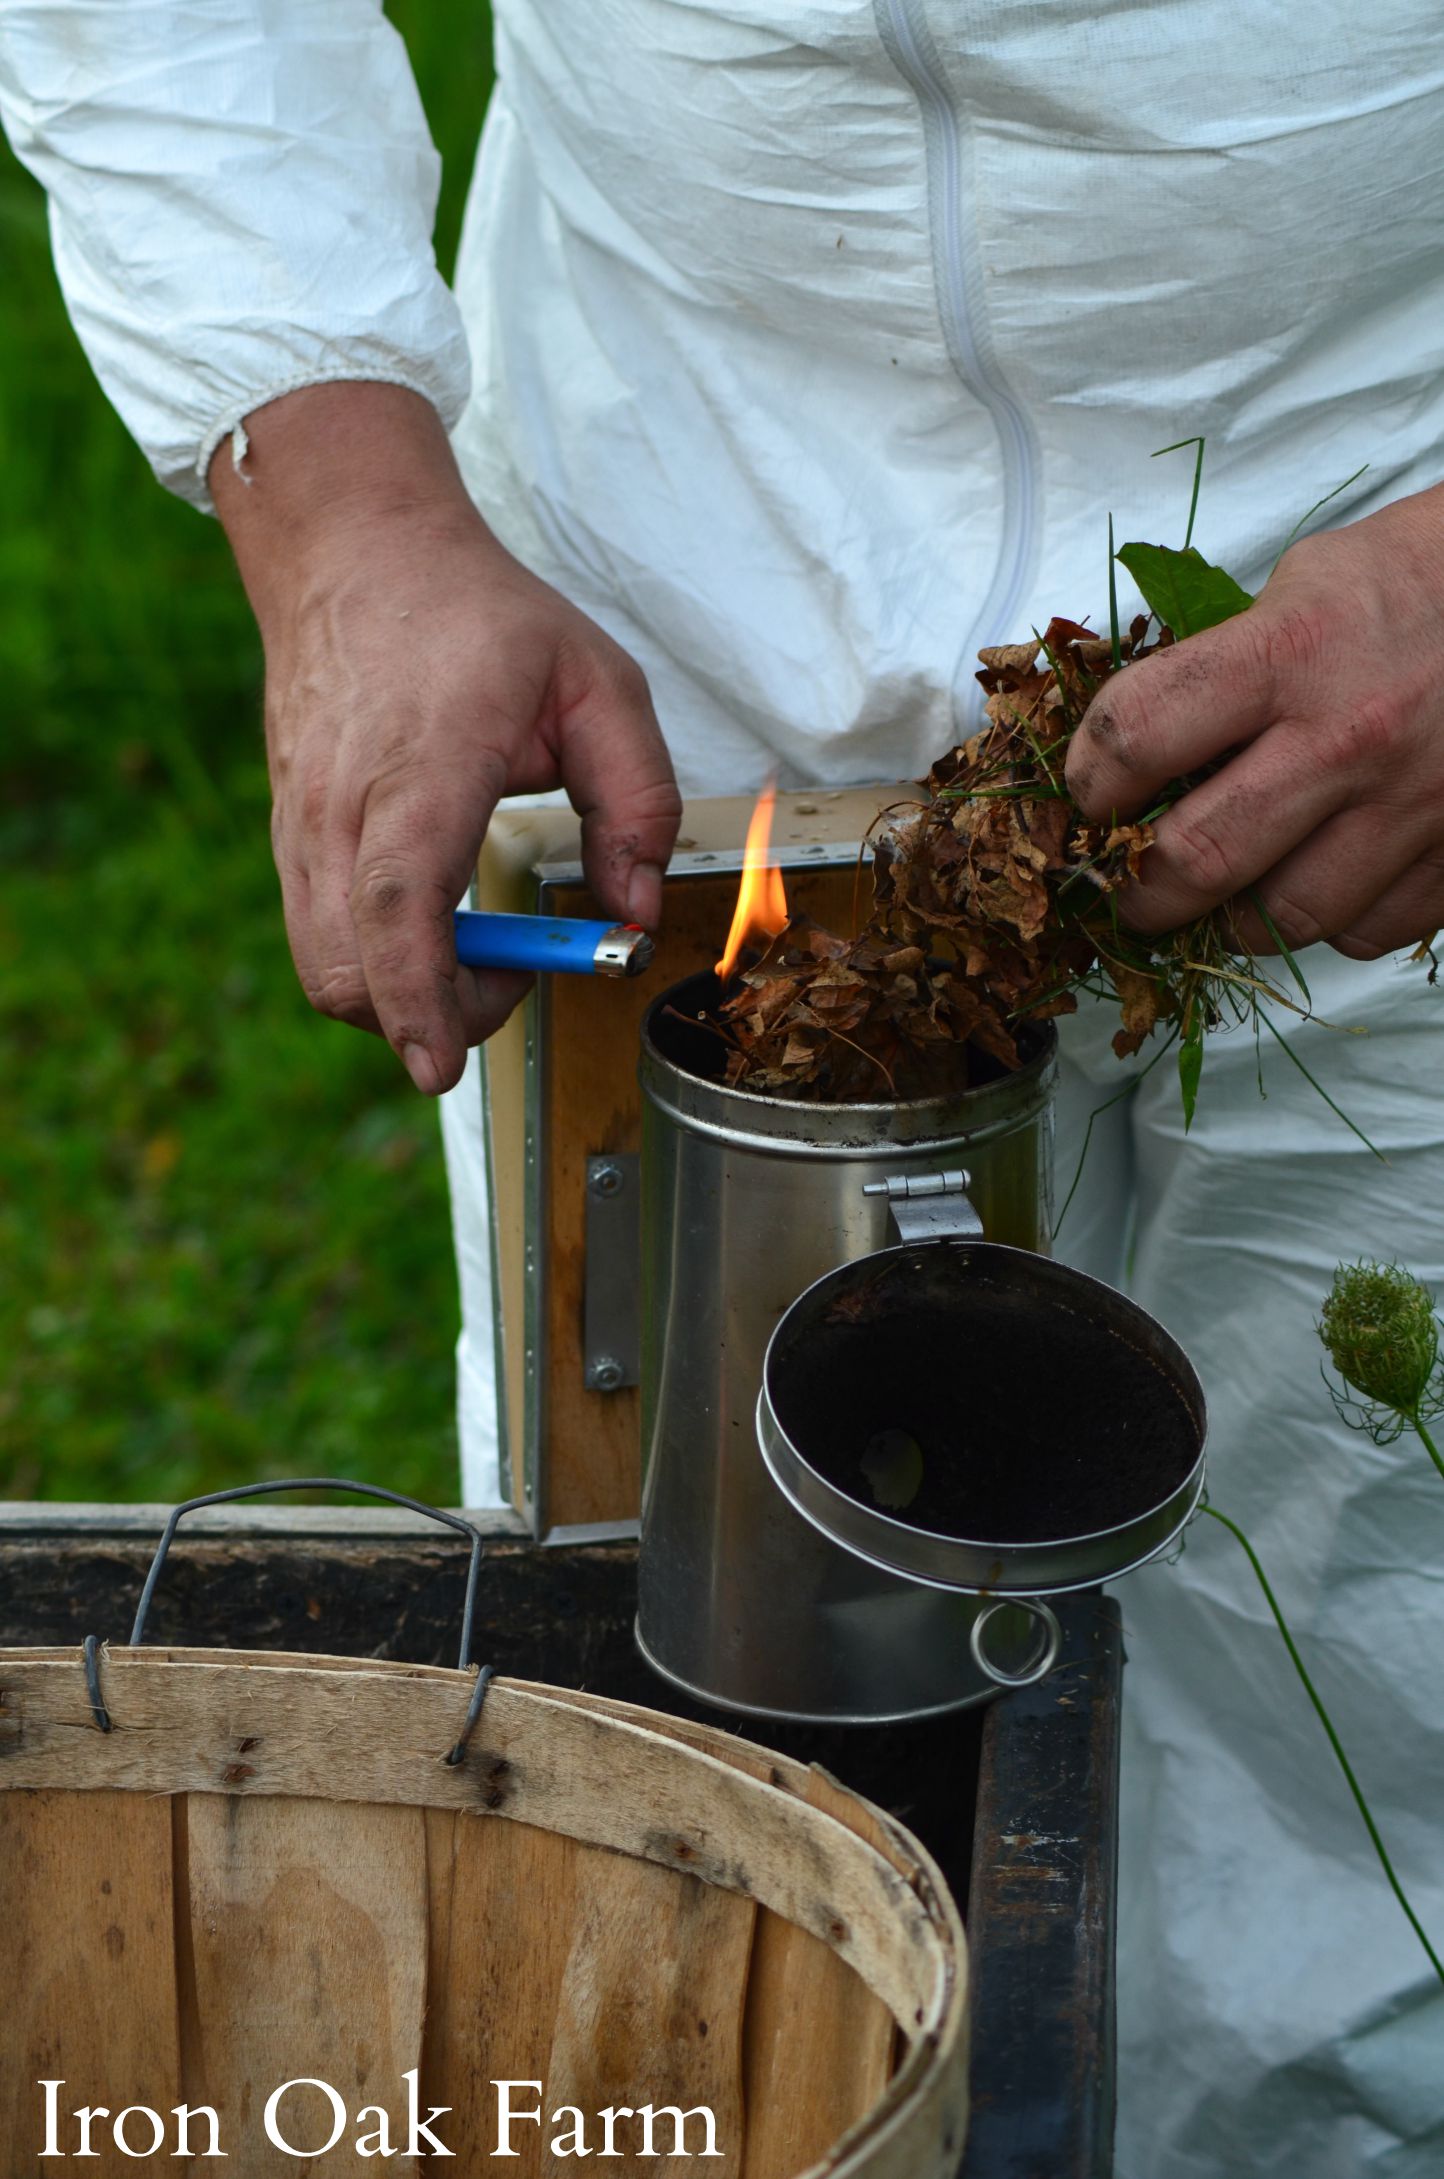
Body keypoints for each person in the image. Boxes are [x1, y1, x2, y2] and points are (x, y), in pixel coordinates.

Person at [3, 4, 1442, 2169]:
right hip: (664, 560)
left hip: (1386, 523)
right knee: (700, 1759)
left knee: (1365, 1782)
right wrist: (337, 503)